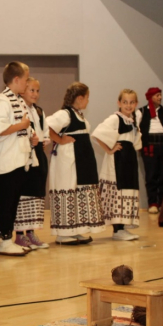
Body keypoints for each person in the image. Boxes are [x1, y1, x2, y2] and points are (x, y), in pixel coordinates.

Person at [0, 61, 39, 256]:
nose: (27, 84)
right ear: (16, 79)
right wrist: (22, 125)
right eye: (26, 80)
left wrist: (31, 135)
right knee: (5, 203)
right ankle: (3, 240)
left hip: (19, 160)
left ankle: (8, 239)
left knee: (13, 202)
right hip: (5, 163)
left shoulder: (16, 99)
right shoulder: (2, 101)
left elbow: (21, 127)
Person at [47, 82, 105, 245]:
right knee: (69, 189)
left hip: (82, 160)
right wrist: (59, 139)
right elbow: (47, 125)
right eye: (87, 98)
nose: (88, 101)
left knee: (79, 192)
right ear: (80, 98)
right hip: (69, 160)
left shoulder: (78, 114)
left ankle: (77, 229)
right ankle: (64, 233)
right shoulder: (65, 114)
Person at [92, 89, 142, 241]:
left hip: (129, 160)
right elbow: (98, 133)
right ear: (119, 103)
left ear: (136, 104)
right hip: (118, 161)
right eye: (125, 102)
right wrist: (109, 149)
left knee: (127, 191)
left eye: (132, 102)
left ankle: (123, 227)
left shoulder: (133, 120)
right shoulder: (115, 118)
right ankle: (117, 229)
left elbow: (137, 142)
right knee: (118, 192)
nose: (128, 105)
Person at [14, 77, 50, 250]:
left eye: (37, 90)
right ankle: (20, 234)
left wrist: (43, 140)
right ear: (22, 90)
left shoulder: (39, 111)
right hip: (24, 155)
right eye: (31, 90)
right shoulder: (18, 108)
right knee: (23, 194)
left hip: (38, 155)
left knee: (36, 194)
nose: (35, 94)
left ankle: (31, 232)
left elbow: (46, 132)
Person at [135, 87, 163, 214]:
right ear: (150, 97)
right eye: (157, 95)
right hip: (149, 147)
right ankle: (153, 203)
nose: (160, 98)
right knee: (151, 175)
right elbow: (136, 128)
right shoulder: (142, 112)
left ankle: (162, 202)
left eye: (160, 95)